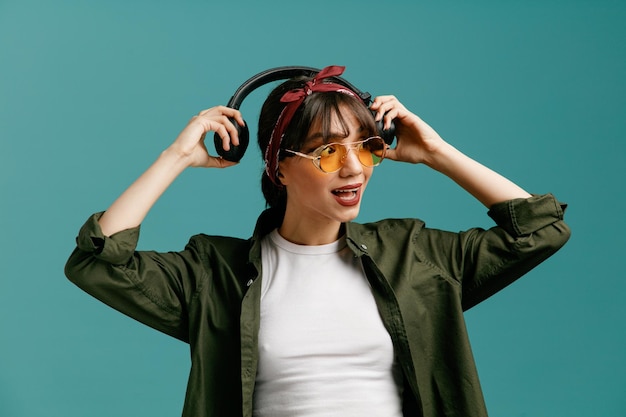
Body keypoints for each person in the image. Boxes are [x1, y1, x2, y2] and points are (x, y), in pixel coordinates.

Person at [65, 65, 570, 417]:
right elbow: (98, 263)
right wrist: (175, 156)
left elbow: (540, 229)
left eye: (366, 147)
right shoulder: (213, 273)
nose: (353, 168)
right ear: (280, 167)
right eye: (327, 152)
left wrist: (437, 152)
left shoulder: (415, 253)